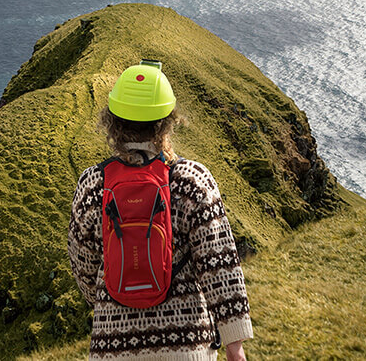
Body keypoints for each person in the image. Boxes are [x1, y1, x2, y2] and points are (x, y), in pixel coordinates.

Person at [68, 60, 253, 360]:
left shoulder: (92, 184)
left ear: (113, 123)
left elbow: (83, 266)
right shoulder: (192, 179)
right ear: (167, 122)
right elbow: (219, 265)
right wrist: (235, 345)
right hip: (187, 345)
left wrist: (112, 297)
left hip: (112, 346)